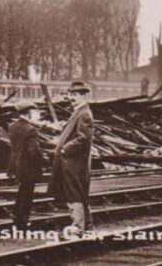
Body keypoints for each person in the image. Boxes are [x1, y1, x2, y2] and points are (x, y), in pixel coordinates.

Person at [48, 81, 94, 237]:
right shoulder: (79, 111)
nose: (71, 98)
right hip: (74, 161)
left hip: (74, 162)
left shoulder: (84, 113)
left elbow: (84, 138)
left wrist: (64, 148)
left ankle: (78, 226)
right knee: (78, 192)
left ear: (83, 95)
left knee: (74, 193)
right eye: (70, 94)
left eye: (75, 95)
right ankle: (86, 225)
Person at [7, 100, 44, 230]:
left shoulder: (12, 126)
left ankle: (17, 218)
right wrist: (44, 161)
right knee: (27, 194)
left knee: (21, 191)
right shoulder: (30, 129)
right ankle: (22, 222)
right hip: (28, 166)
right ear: (28, 112)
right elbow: (34, 151)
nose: (36, 114)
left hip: (16, 164)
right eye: (34, 111)